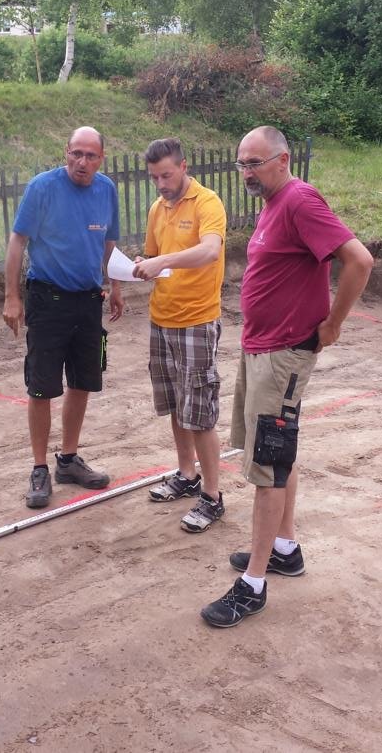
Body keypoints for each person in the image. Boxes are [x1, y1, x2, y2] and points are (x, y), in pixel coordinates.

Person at [201, 125, 373, 627]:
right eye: (242, 163)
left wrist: (333, 324)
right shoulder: (274, 204)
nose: (246, 172)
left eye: (254, 162)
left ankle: (253, 585)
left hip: (283, 356)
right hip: (261, 350)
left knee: (268, 466)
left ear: (283, 159)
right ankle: (284, 548)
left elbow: (359, 261)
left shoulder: (299, 200)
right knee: (276, 454)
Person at [3, 126, 124, 508]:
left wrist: (115, 285)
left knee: (82, 381)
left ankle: (68, 461)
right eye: (76, 153)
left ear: (101, 159)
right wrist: (11, 297)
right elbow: (18, 241)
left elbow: (109, 242)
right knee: (42, 386)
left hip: (88, 301)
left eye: (90, 155)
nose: (82, 162)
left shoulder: (106, 190)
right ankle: (39, 468)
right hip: (48, 300)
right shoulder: (43, 188)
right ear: (65, 152)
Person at [133, 138, 227, 532]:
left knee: (200, 413)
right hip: (162, 319)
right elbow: (153, 255)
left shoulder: (207, 202)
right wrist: (143, 264)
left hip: (197, 321)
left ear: (184, 166)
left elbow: (210, 251)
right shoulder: (157, 208)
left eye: (166, 175)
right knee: (176, 403)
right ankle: (187, 474)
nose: (160, 184)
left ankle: (212, 495)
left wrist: (163, 261)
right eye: (154, 177)